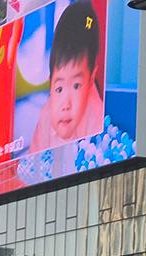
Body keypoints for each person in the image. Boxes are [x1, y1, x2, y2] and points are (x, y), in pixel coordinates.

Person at [29, 0, 104, 151]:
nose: (66, 105)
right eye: (59, 89)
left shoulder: (97, 118)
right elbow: (33, 160)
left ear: (90, 80)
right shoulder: (46, 115)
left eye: (76, 86)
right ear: (50, 84)